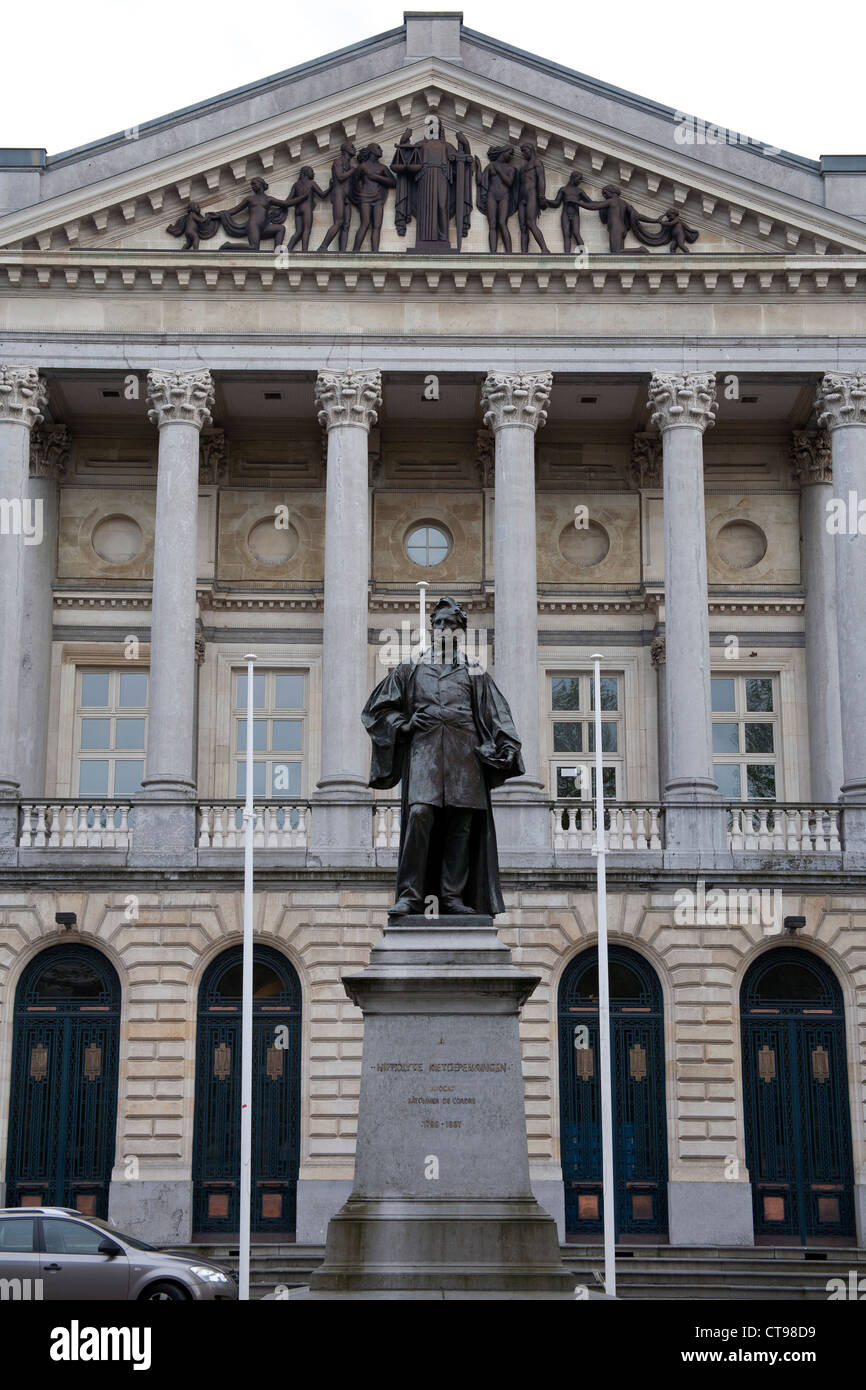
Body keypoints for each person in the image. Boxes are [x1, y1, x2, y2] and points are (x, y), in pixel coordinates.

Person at [362, 597, 523, 918]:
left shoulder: (475, 672)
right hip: (426, 755)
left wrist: (507, 746)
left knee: (460, 826)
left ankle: (452, 897)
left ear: (460, 631)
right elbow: (376, 711)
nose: (442, 629)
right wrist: (404, 724)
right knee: (420, 814)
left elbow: (497, 715)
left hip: (466, 757)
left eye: (449, 624)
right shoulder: (410, 668)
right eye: (437, 624)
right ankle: (410, 895)